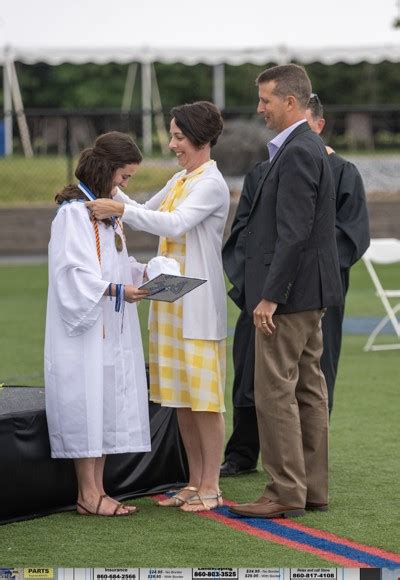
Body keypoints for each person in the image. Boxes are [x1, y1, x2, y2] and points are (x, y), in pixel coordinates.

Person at [86, 101, 230, 512]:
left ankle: (212, 486)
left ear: (201, 140)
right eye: (173, 136)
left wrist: (119, 206)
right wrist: (110, 183)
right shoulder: (182, 178)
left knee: (204, 400)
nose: (172, 145)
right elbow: (145, 211)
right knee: (182, 399)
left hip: (198, 304)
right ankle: (193, 481)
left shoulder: (211, 183)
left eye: (179, 137)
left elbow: (174, 223)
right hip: (169, 301)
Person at [220, 93, 370, 478]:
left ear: (315, 124)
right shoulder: (262, 172)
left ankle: (300, 468)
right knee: (252, 372)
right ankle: (243, 451)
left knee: (310, 379)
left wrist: (299, 279)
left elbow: (347, 237)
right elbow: (244, 234)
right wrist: (255, 286)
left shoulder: (341, 172)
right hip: (262, 292)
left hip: (312, 294)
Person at [229, 64, 342, 519]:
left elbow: (293, 232)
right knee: (310, 390)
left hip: (289, 296)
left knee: (275, 392)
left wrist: (271, 296)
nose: (260, 109)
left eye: (266, 100)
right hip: (310, 293)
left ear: (290, 102)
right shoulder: (307, 146)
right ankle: (312, 489)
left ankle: (284, 492)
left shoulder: (296, 151)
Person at [45, 131, 151, 517]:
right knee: (86, 399)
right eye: (124, 177)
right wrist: (115, 289)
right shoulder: (73, 215)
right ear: (107, 169)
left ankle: (99, 490)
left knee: (104, 401)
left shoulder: (107, 216)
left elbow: (116, 263)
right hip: (86, 325)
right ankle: (87, 494)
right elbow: (70, 275)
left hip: (110, 321)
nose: (125, 186)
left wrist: (146, 274)